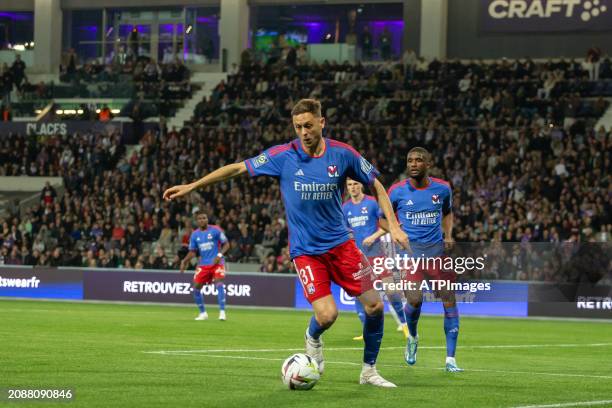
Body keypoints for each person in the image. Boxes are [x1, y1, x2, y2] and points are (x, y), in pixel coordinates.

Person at [164, 98, 409, 387]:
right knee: (328, 315)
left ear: (321, 122)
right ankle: (312, 337)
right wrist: (193, 185)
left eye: (308, 125)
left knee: (375, 307)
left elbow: (377, 185)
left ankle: (369, 371)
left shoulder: (343, 154)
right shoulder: (283, 155)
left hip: (342, 245)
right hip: (306, 252)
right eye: (297, 127)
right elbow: (238, 169)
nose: (303, 132)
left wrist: (393, 224)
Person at [384, 146, 463, 372]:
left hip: (437, 254)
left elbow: (447, 213)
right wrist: (397, 230)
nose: (413, 164)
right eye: (410, 160)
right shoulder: (397, 191)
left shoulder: (443, 188)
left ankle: (451, 359)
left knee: (449, 300)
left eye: (419, 160)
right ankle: (413, 337)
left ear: (428, 164)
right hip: (410, 256)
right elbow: (383, 220)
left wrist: (448, 235)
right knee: (416, 300)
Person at [342, 178, 408, 341]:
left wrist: (373, 236)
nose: (353, 187)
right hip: (357, 258)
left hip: (377, 255)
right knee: (360, 294)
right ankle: (366, 331)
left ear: (361, 185)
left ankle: (405, 326)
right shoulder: (345, 208)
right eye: (350, 185)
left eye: (356, 184)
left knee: (391, 290)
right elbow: (344, 231)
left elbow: (388, 225)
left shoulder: (372, 203)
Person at [180, 211, 230, 321]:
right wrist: (184, 261)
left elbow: (226, 244)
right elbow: (192, 252)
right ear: (197, 221)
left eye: (204, 218)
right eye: (200, 218)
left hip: (217, 262)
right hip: (203, 265)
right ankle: (203, 313)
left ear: (207, 219)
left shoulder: (216, 230)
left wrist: (220, 254)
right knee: (196, 288)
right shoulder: (195, 235)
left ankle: (222, 312)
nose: (202, 220)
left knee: (219, 283)